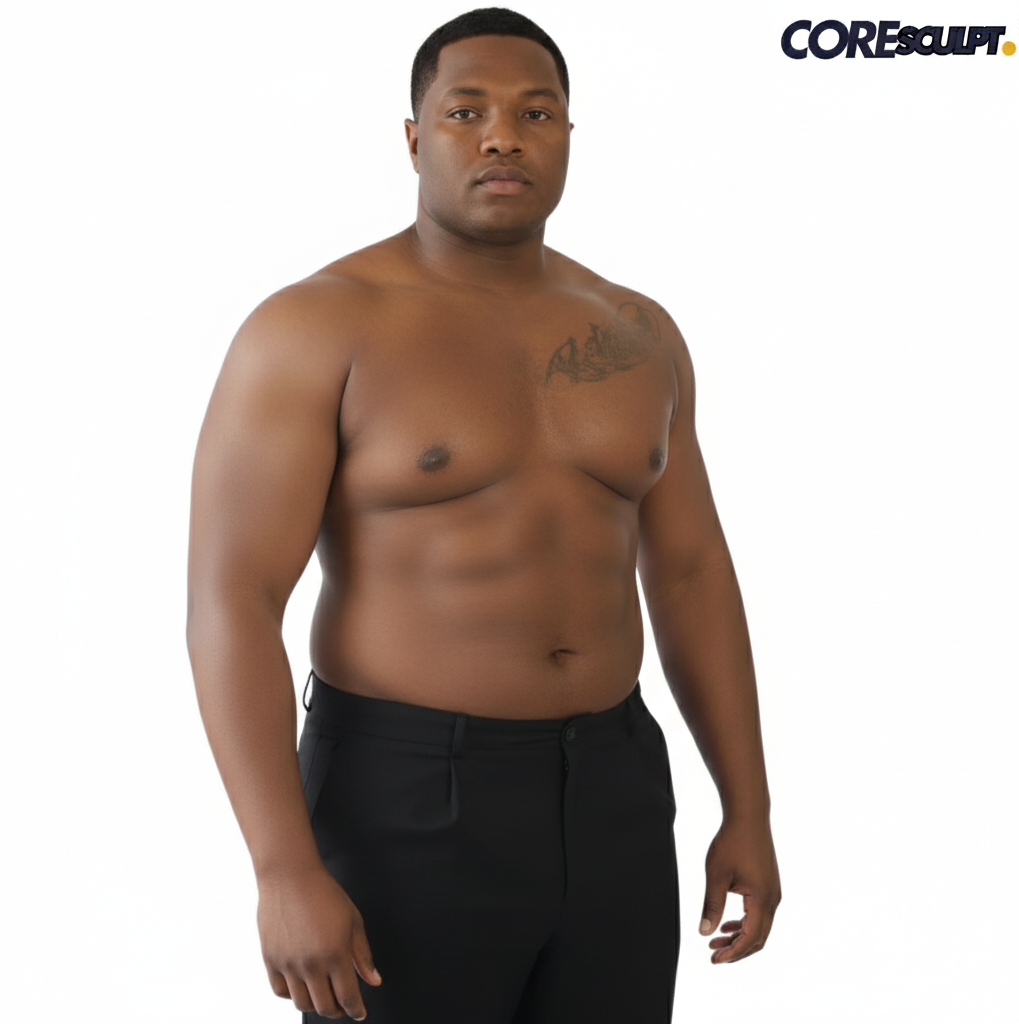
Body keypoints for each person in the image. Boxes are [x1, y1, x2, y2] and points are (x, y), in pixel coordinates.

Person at [186, 7, 780, 1022]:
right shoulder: (315, 326)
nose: (503, 135)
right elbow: (232, 599)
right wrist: (282, 866)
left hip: (616, 787)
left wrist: (748, 807)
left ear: (567, 137)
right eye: (466, 112)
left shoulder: (638, 333)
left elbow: (691, 573)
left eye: (534, 112)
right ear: (414, 139)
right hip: (401, 793)